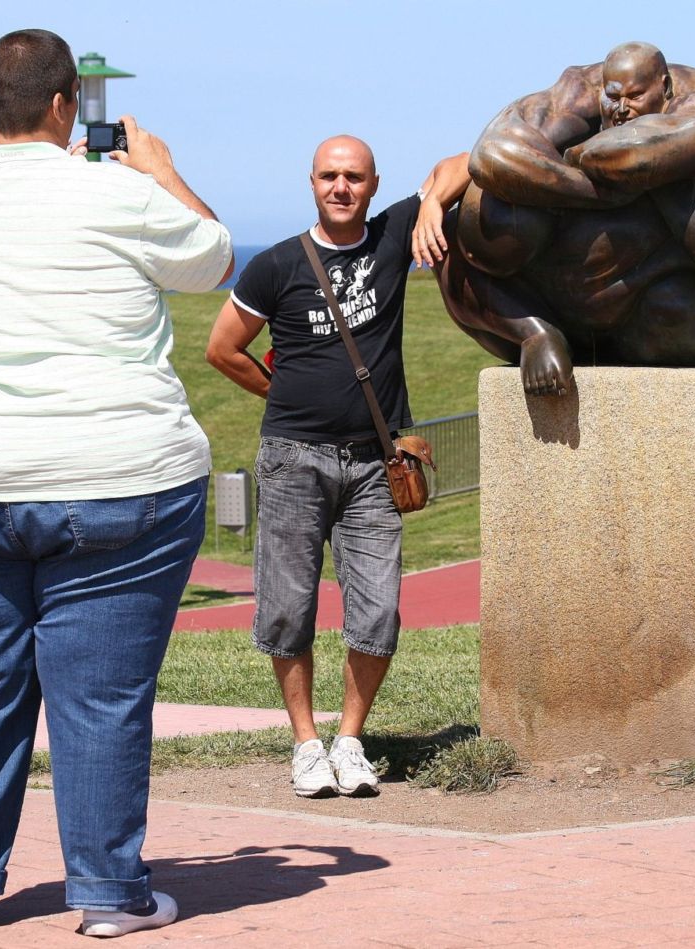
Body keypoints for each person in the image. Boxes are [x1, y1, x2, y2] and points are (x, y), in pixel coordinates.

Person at [0, 29, 232, 938]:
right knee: (100, 696)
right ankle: (107, 894)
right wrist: (157, 170)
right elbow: (213, 259)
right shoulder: (117, 191)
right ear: (61, 105)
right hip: (116, 477)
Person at [206, 136, 468, 798]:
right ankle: (305, 744)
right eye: (329, 176)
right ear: (312, 182)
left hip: (376, 465)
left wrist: (433, 201)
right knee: (288, 608)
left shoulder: (392, 237)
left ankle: (350, 740)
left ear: (375, 185)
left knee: (378, 610)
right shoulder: (276, 266)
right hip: (293, 460)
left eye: (354, 177)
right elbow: (223, 347)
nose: (341, 187)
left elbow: (472, 161)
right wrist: (281, 391)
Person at [437, 41, 695, 395]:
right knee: (462, 233)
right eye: (614, 97)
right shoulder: (577, 91)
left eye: (636, 96)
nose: (622, 108)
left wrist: (582, 160)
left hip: (677, 313)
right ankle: (535, 331)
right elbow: (491, 156)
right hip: (558, 310)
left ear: (665, 86)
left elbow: (639, 154)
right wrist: (594, 193)